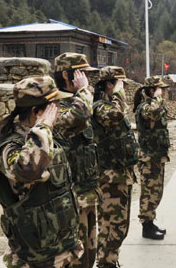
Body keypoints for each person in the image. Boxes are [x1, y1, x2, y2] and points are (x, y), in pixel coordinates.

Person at [0, 76, 83, 268]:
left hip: (63, 249)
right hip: (36, 259)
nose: (59, 111)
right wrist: (43, 127)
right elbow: (28, 169)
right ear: (36, 112)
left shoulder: (46, 136)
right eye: (53, 107)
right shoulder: (10, 147)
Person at [53, 53, 99, 268]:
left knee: (90, 252)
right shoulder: (57, 105)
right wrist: (83, 90)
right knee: (77, 258)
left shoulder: (78, 101)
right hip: (72, 199)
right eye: (81, 74)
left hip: (87, 193)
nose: (86, 79)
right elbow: (81, 116)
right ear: (65, 74)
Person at [92, 66, 139, 268]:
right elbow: (116, 115)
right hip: (109, 177)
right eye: (120, 85)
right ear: (109, 85)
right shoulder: (101, 107)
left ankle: (110, 260)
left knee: (119, 226)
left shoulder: (112, 105)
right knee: (111, 225)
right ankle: (105, 263)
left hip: (121, 174)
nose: (124, 89)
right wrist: (119, 95)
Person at [133, 76, 171, 240]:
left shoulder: (154, 105)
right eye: (158, 89)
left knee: (156, 192)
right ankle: (146, 227)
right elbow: (154, 113)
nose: (162, 92)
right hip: (149, 158)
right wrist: (157, 98)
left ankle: (151, 222)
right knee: (148, 193)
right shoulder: (145, 107)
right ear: (151, 90)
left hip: (157, 156)